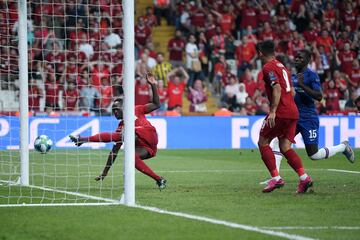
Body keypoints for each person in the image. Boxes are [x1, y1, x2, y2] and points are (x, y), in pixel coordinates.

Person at [262, 50, 355, 184]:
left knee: (314, 155)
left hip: (308, 118)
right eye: (296, 57)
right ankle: (275, 177)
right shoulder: (292, 76)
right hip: (293, 116)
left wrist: (302, 85)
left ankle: (342, 147)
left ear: (307, 60)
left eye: (300, 57)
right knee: (278, 142)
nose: (297, 59)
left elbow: (319, 96)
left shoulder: (312, 76)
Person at [69, 73, 166, 190]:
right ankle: (159, 179)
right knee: (130, 157)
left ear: (124, 108)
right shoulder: (121, 127)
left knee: (122, 135)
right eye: (113, 110)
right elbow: (113, 152)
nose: (114, 112)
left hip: (149, 134)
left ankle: (83, 139)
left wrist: (153, 85)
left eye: (116, 110)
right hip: (147, 149)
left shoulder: (137, 109)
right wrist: (105, 172)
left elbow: (156, 104)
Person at [256, 40, 312, 194]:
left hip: (281, 111)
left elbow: (277, 88)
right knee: (285, 147)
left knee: (263, 141)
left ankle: (275, 178)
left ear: (260, 53)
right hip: (293, 111)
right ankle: (304, 178)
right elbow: (292, 91)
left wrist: (273, 111)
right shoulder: (283, 67)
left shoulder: (268, 67)